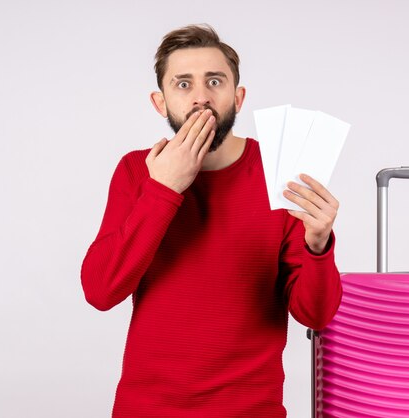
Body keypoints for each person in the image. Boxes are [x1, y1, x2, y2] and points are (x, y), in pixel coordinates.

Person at [81, 24, 342, 418]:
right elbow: (101, 291)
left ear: (238, 98)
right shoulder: (137, 171)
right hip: (147, 409)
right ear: (160, 102)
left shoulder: (281, 172)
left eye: (214, 81)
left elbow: (315, 315)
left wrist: (318, 245)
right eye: (183, 84)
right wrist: (164, 189)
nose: (201, 98)